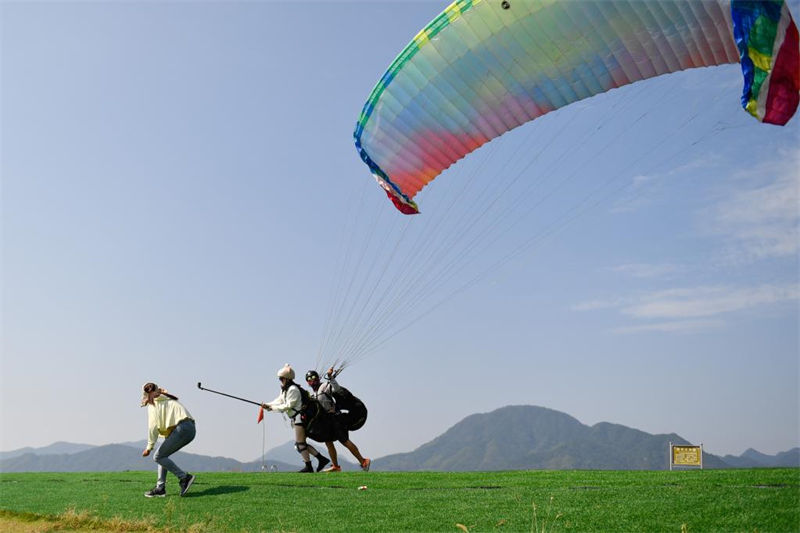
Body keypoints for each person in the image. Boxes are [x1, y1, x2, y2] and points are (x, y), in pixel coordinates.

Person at [261, 364, 330, 473]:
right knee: (300, 444)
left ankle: (310, 466)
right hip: (296, 419)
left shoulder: (293, 389)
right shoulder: (285, 389)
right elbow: (279, 400)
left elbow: (287, 406)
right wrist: (267, 405)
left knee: (300, 444)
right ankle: (319, 460)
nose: (280, 381)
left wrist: (271, 408)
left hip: (300, 419)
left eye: (281, 379)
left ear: (287, 379)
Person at [305, 369, 370, 472]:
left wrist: (331, 377)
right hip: (326, 422)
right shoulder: (313, 394)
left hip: (336, 419)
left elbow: (337, 389)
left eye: (313, 378)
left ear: (317, 378)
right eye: (309, 379)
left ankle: (363, 461)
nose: (312, 381)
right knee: (328, 442)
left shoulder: (325, 386)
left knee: (344, 441)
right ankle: (335, 466)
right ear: (307, 382)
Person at [140, 382, 196, 498]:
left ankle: (184, 478)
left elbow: (153, 427)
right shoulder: (165, 398)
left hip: (182, 428)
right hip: (189, 428)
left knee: (158, 456)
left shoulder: (154, 404)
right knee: (162, 456)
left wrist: (149, 447)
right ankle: (160, 488)